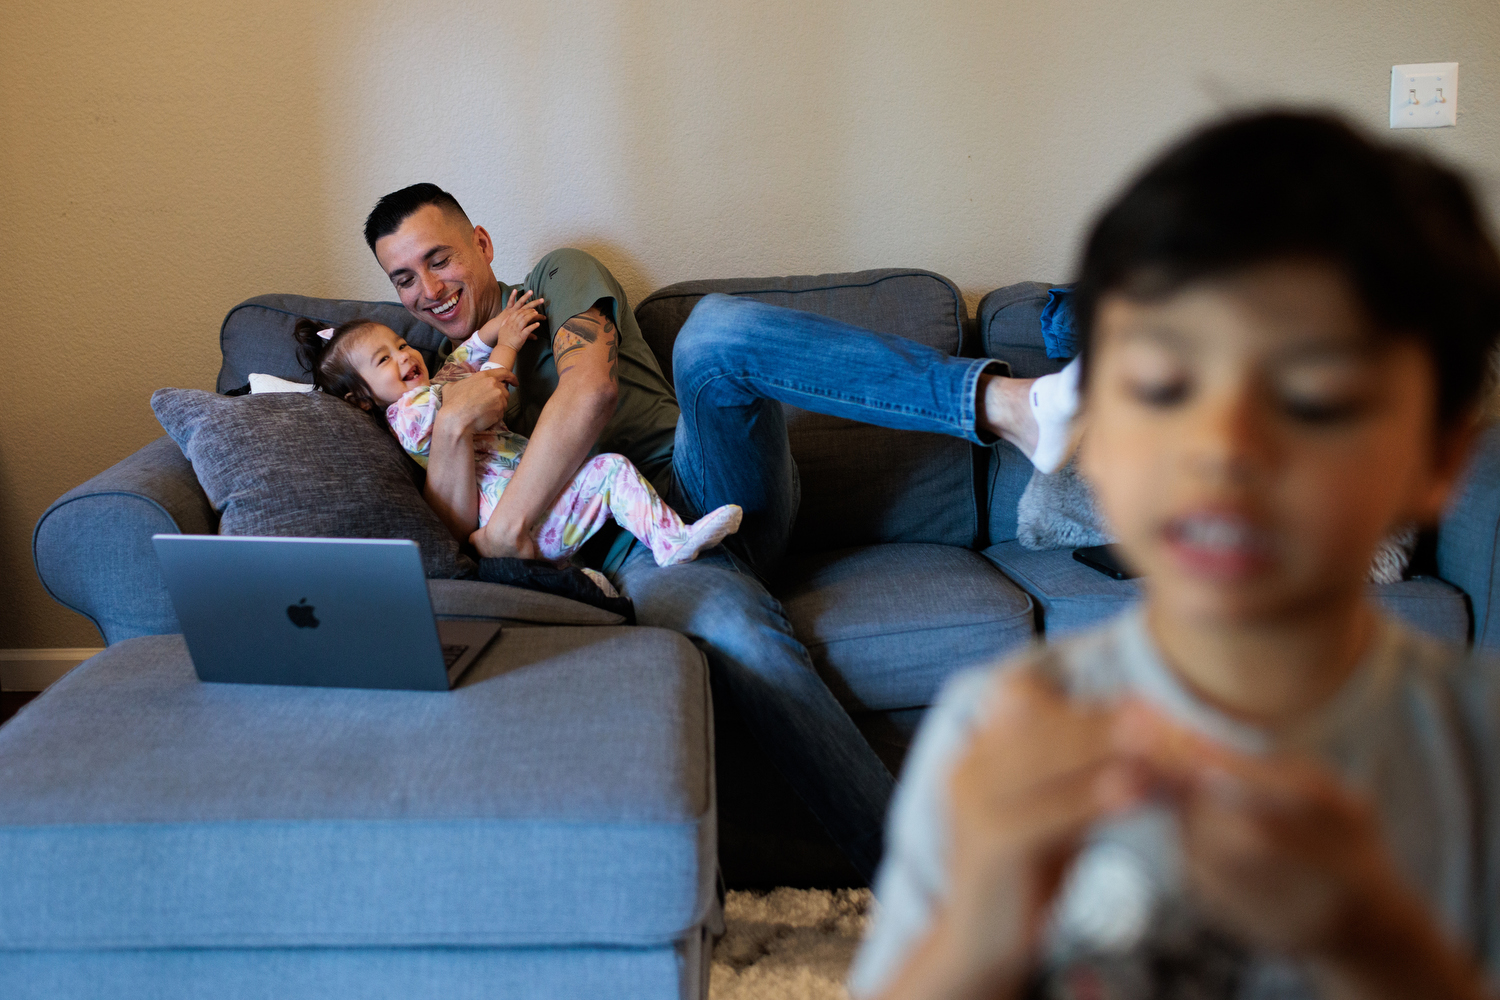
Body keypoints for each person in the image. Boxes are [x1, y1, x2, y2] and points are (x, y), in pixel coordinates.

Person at [848, 111, 1500, 999]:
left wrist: (1377, 946)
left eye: (1312, 396)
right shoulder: (993, 730)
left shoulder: (1475, 752)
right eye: (1163, 387)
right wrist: (980, 930)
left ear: (1438, 460)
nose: (1223, 445)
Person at [362, 182, 1079, 882]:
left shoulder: (558, 277)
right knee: (738, 637)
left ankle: (1006, 404)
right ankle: (925, 886)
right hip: (635, 555)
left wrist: (505, 532)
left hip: (699, 478)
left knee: (715, 330)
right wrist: (455, 423)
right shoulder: (424, 380)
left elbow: (591, 390)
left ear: (481, 245)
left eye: (439, 259)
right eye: (404, 278)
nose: (428, 288)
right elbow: (452, 532)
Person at [290, 314, 742, 571]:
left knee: (604, 474)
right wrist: (506, 347)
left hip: (535, 502)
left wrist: (495, 328)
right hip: (515, 519)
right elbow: (487, 390)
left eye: (403, 343)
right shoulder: (406, 414)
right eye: (383, 359)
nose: (405, 356)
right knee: (611, 470)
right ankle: (671, 541)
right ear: (361, 399)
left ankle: (587, 577)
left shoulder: (433, 386)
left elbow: (464, 356)